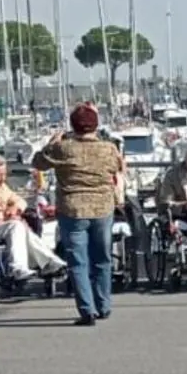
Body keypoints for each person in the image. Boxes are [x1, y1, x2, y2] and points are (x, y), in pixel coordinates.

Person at [32, 104, 123, 326]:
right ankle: (104, 305)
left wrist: (51, 143)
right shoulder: (108, 148)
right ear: (96, 125)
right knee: (102, 258)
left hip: (72, 208)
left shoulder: (63, 148)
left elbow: (38, 163)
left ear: (73, 125)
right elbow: (118, 167)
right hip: (102, 208)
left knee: (78, 261)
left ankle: (87, 310)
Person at [0, 153, 67, 281]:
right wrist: (5, 216)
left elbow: (20, 200)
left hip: (2, 225)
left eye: (4, 173)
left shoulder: (2, 188)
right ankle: (19, 267)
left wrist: (14, 209)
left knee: (21, 227)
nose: (3, 177)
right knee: (16, 225)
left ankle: (49, 262)